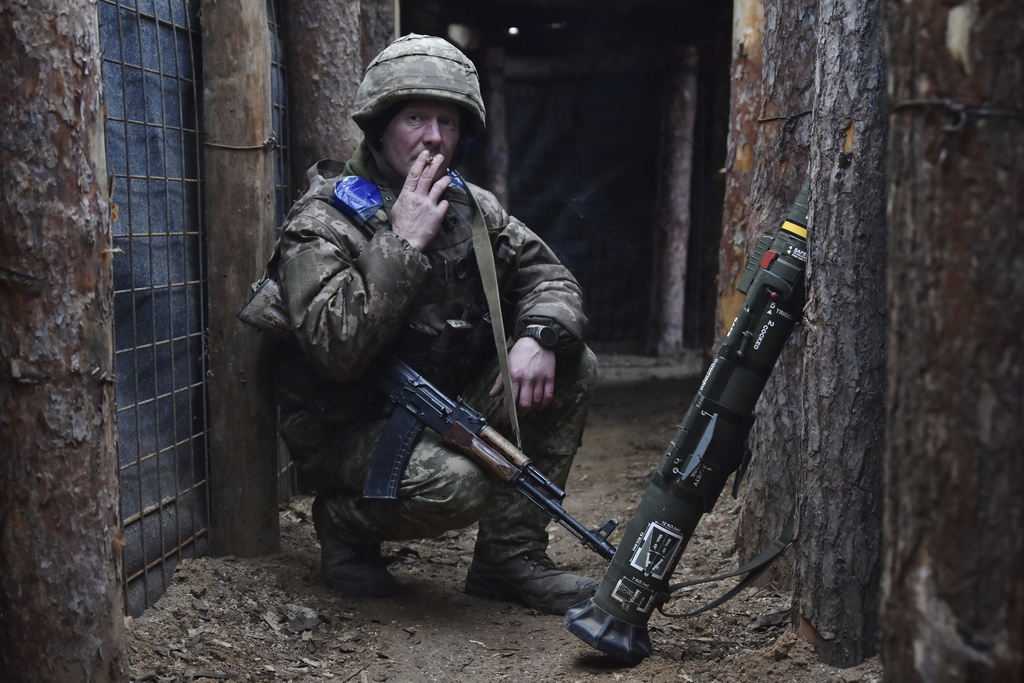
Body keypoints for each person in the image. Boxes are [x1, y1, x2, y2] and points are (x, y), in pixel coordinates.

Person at [272, 33, 599, 615]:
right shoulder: (323, 222)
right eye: (415, 118)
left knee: (573, 360)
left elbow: (551, 279)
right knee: (458, 486)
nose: (432, 137)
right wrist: (401, 241)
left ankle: (509, 560)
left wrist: (538, 336)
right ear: (378, 126)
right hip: (347, 427)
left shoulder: (472, 209)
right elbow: (333, 349)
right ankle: (345, 524)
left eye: (446, 122)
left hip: (440, 403)